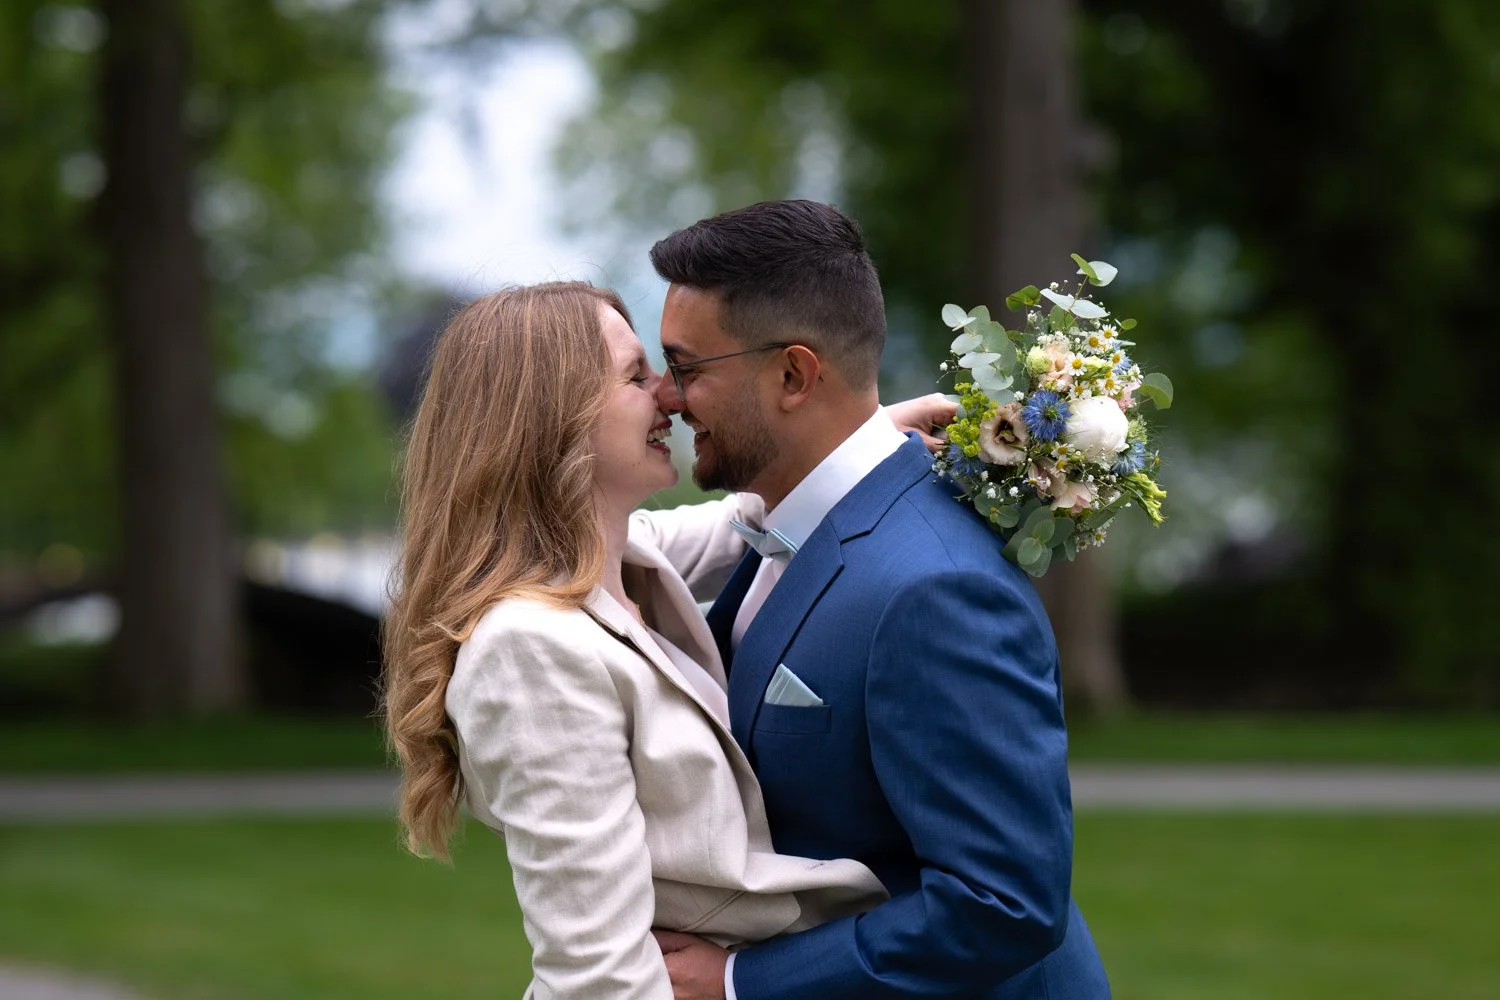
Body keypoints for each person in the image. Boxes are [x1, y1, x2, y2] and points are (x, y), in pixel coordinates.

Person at [380, 281, 953, 999]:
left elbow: (743, 519)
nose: (671, 398)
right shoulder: (528, 647)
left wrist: (857, 434)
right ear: (552, 418)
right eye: (634, 376)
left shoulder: (616, 560)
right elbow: (597, 974)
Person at [645, 200, 1111, 1000]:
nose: (664, 396)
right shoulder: (782, 525)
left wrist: (738, 983)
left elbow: (1004, 903)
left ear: (793, 374)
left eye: (686, 368)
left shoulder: (936, 589)